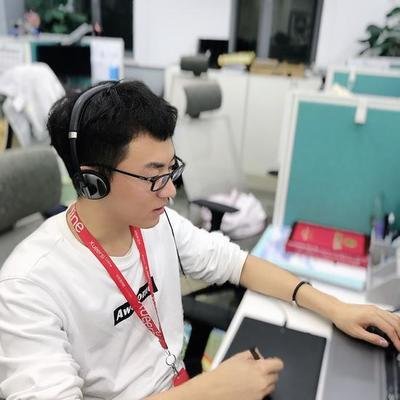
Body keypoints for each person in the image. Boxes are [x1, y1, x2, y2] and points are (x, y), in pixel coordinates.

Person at [0, 80, 399, 400]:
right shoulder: (28, 286)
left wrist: (336, 308)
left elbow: (235, 263)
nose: (171, 191)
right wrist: (210, 391)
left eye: (172, 169)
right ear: (93, 181)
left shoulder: (157, 222)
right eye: (154, 176)